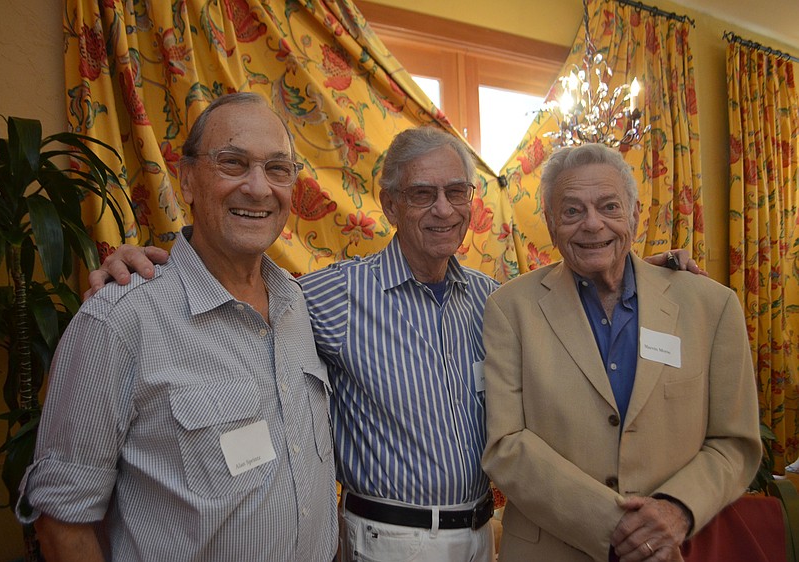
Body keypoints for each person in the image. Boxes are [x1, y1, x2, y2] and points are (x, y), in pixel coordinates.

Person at [88, 128, 702, 561]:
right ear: (389, 205)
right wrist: (148, 262)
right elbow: (237, 290)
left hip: (485, 537)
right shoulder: (325, 297)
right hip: (386, 542)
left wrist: (630, 270)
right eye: (421, 194)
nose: (443, 209)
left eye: (456, 192)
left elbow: (569, 312)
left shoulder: (497, 300)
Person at [17, 93, 338, 561]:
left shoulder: (300, 305)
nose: (258, 187)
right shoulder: (120, 320)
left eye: (277, 168)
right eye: (232, 163)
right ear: (187, 180)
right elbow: (62, 522)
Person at [481, 142, 761, 562]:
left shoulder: (710, 306)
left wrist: (676, 510)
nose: (592, 224)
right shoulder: (510, 308)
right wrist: (616, 524)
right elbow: (505, 444)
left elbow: (734, 441)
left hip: (675, 548)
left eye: (609, 206)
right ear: (551, 223)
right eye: (572, 211)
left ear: (634, 215)